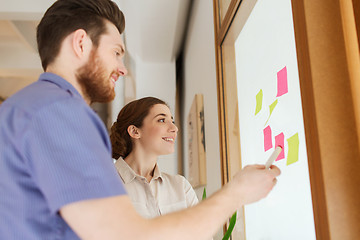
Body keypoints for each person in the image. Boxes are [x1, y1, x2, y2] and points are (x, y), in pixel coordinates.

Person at [0, 0, 281, 239]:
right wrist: (237, 193)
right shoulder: (60, 112)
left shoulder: (25, 109)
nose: (122, 69)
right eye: (116, 52)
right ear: (81, 43)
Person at [110, 97, 198, 219]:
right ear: (135, 131)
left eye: (172, 121)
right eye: (162, 120)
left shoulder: (181, 186)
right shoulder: (103, 184)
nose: (174, 128)